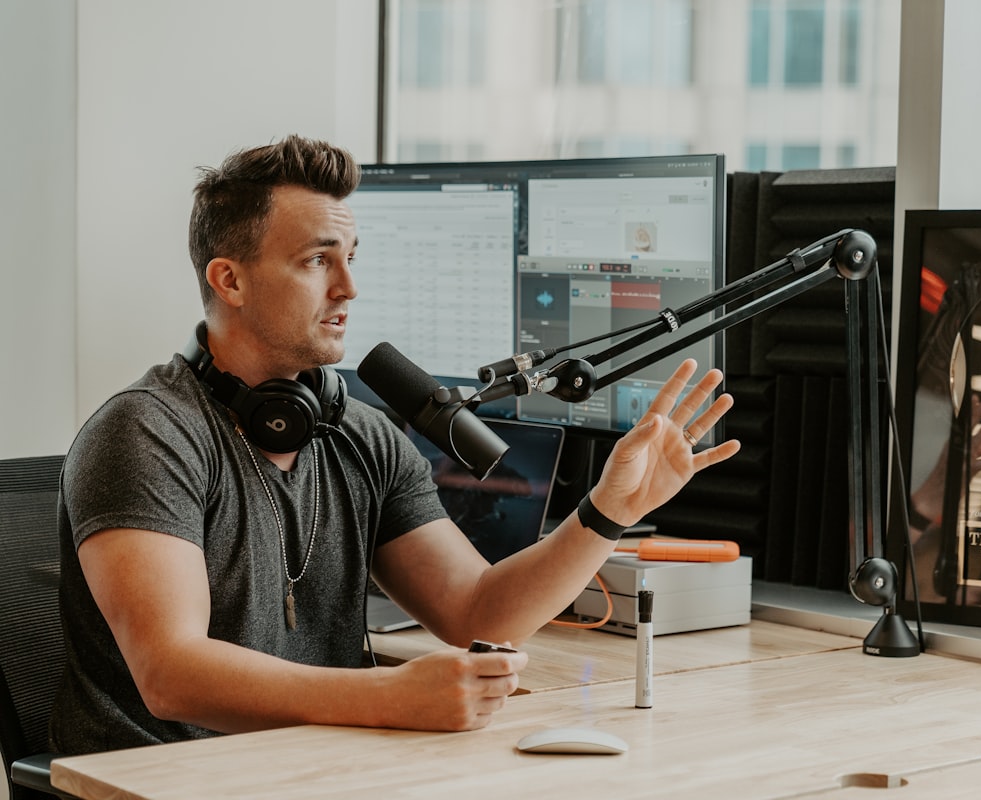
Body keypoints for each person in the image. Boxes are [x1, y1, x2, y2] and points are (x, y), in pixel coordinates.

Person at [50, 135, 741, 755]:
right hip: (160, 782)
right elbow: (172, 676)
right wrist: (389, 697)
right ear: (229, 279)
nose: (350, 286)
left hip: (310, 769)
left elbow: (476, 612)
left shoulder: (358, 433)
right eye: (318, 261)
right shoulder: (145, 433)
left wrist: (605, 513)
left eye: (350, 258)